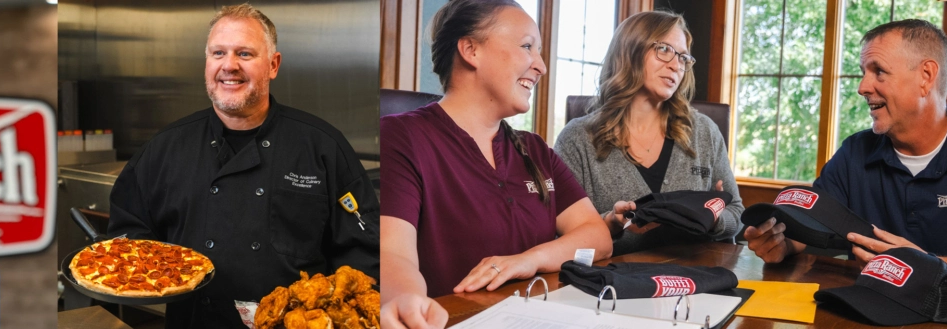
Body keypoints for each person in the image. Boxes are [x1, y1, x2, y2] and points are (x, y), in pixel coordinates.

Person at [105, 4, 380, 328]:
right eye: (218, 53)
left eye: (245, 54)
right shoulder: (164, 148)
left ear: (273, 65)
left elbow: (365, 253)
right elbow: (127, 240)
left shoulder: (322, 146)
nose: (229, 66)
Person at [378, 0, 615, 328]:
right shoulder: (403, 136)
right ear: (471, 50)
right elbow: (393, 254)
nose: (541, 66)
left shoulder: (536, 150)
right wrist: (405, 301)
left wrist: (528, 261)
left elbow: (597, 238)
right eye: (527, 46)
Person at [741, 19, 947, 287]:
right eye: (864, 72)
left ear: (926, 77)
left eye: (879, 72)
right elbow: (809, 227)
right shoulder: (854, 153)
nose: (862, 87)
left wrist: (928, 268)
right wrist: (781, 244)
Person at [554, 11, 743, 256]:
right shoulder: (577, 139)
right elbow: (561, 233)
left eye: (683, 57)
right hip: (611, 284)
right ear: (629, 51)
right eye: (664, 49)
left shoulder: (704, 131)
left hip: (697, 282)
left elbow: (736, 213)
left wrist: (712, 217)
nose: (676, 65)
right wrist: (610, 223)